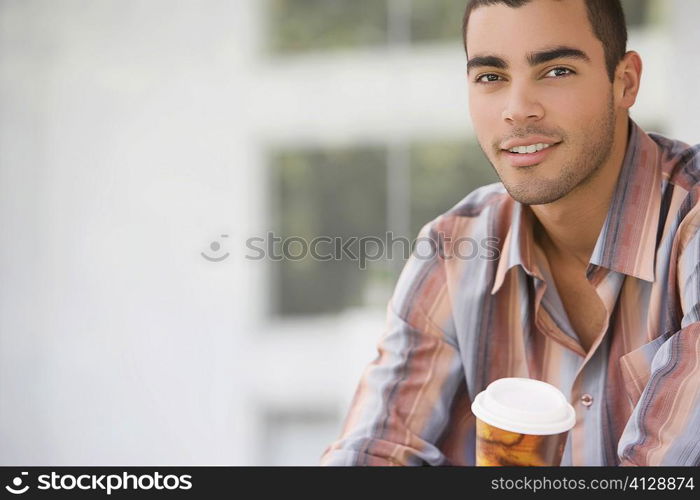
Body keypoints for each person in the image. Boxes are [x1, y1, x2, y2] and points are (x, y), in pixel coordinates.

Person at [320, 0, 700, 466]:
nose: (517, 110)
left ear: (625, 81)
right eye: (491, 77)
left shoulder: (691, 223)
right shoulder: (454, 247)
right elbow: (374, 450)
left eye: (557, 71)